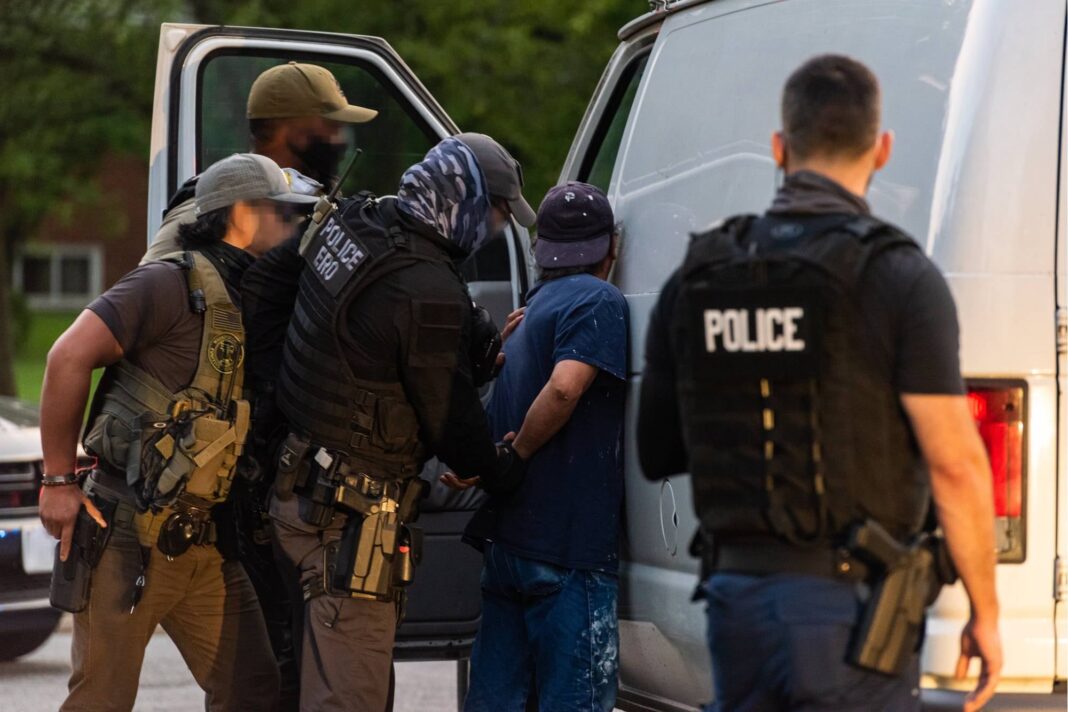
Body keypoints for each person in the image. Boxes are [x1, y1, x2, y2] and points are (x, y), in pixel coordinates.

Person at [637, 54, 1002, 712]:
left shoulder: (700, 274)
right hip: (850, 616)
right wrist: (986, 611)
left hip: (734, 602)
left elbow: (657, 449)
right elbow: (955, 464)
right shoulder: (897, 276)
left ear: (779, 148)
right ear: (882, 149)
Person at [248, 132, 536, 711]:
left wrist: (280, 396)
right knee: (349, 700)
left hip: (294, 489)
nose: (499, 227)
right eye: (498, 211)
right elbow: (456, 435)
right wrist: (508, 465)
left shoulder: (358, 220)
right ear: (466, 200)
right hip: (347, 528)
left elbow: (269, 290)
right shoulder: (426, 291)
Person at [38, 153, 317, 711]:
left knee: (252, 689)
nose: (293, 225)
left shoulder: (254, 296)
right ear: (241, 215)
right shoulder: (168, 282)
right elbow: (66, 356)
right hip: (124, 533)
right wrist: (58, 481)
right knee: (102, 699)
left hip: (203, 542)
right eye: (281, 213)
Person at [444, 182, 628, 712]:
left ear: (541, 249)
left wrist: (485, 463)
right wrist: (517, 454)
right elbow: (566, 386)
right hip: (566, 552)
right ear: (609, 249)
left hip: (510, 551)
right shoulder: (599, 299)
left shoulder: (530, 311)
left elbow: (496, 408)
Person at [142, 61, 376, 263]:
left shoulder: (317, 197)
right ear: (284, 132)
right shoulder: (217, 201)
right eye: (331, 127)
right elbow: (149, 288)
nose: (341, 139)